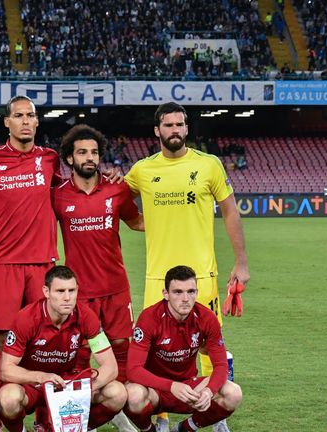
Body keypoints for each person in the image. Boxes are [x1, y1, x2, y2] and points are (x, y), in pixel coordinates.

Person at [125, 102, 248, 432]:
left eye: (180, 124)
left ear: (187, 128)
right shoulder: (142, 170)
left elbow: (231, 212)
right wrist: (141, 222)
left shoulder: (208, 165)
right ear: (157, 130)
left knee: (210, 344)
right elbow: (118, 200)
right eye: (168, 125)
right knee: (155, 347)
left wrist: (241, 263)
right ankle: (161, 415)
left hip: (202, 275)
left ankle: (214, 411)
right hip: (158, 277)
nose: (174, 130)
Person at [52, 124, 143, 432]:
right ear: (69, 158)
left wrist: (174, 213)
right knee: (78, 359)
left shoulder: (117, 189)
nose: (89, 157)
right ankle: (76, 418)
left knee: (122, 354)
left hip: (116, 289)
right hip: (79, 294)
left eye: (94, 152)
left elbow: (137, 222)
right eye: (82, 152)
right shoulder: (58, 196)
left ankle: (117, 412)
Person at [0, 95, 62, 346]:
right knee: (0, 335)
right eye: (18, 115)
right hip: (4, 261)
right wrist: (1, 220)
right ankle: (2, 384)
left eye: (30, 115)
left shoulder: (49, 158)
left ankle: (37, 384)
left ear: (37, 122)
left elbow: (64, 192)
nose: (25, 121)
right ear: (6, 122)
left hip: (42, 261)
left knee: (43, 331)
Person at [0, 266, 127, 432]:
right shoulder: (27, 318)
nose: (67, 298)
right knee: (8, 398)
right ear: (46, 291)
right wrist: (41, 377)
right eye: (60, 291)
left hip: (67, 382)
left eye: (71, 290)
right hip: (34, 384)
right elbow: (6, 370)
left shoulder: (86, 317)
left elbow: (111, 367)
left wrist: (81, 390)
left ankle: (74, 427)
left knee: (117, 393)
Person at [124, 266, 243, 432]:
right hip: (155, 390)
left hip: (189, 388)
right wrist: (171, 386)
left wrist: (209, 391)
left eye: (191, 291)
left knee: (233, 393)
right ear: (166, 294)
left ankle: (185, 429)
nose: (186, 298)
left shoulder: (207, 318)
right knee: (133, 395)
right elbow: (133, 370)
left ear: (197, 292)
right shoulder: (150, 318)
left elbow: (221, 365)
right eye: (178, 292)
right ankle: (149, 430)